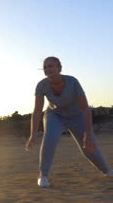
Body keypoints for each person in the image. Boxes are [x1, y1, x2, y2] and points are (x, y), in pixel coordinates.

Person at [25, 56, 113, 187]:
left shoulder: (73, 82)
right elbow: (37, 110)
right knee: (50, 139)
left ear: (59, 68)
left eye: (51, 66)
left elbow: (85, 109)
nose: (47, 69)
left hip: (77, 115)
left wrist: (88, 134)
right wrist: (32, 134)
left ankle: (106, 170)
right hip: (55, 114)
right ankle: (43, 176)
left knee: (89, 147)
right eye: (45, 67)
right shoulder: (41, 85)